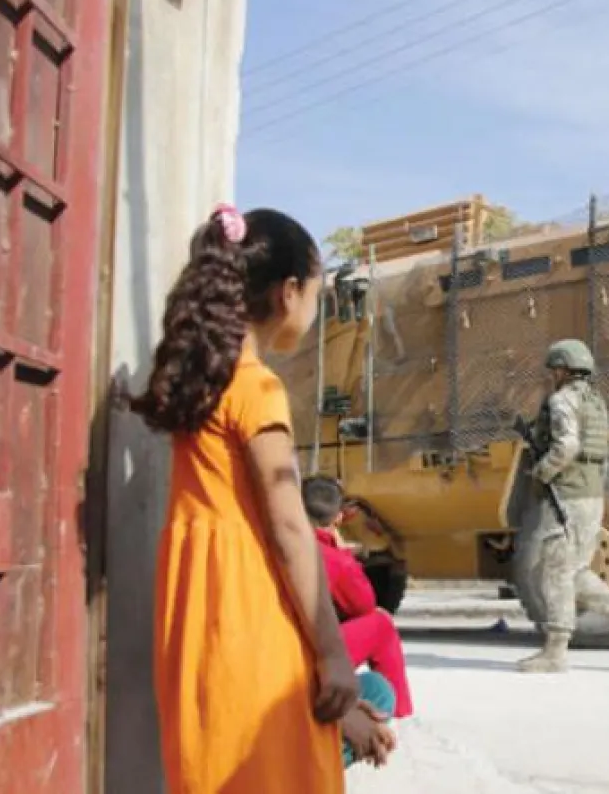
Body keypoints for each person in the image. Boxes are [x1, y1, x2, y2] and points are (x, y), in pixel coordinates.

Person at [129, 204, 379, 793]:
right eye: (317, 296)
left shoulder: (203, 392)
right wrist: (334, 655)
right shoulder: (258, 389)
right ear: (289, 292)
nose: (314, 314)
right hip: (250, 619)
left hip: (198, 626)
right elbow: (291, 530)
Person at [517, 339, 609, 673]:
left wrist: (542, 472)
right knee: (574, 570)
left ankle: (556, 651)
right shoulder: (596, 403)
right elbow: (601, 454)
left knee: (556, 570)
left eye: (554, 370)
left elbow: (566, 447)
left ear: (563, 369)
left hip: (568, 495)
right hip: (590, 494)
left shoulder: (563, 400)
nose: (552, 376)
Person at [302, 474, 416, 718]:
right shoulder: (333, 560)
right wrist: (344, 555)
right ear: (339, 517)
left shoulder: (270, 544)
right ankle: (395, 712)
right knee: (380, 624)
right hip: (303, 658)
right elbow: (363, 605)